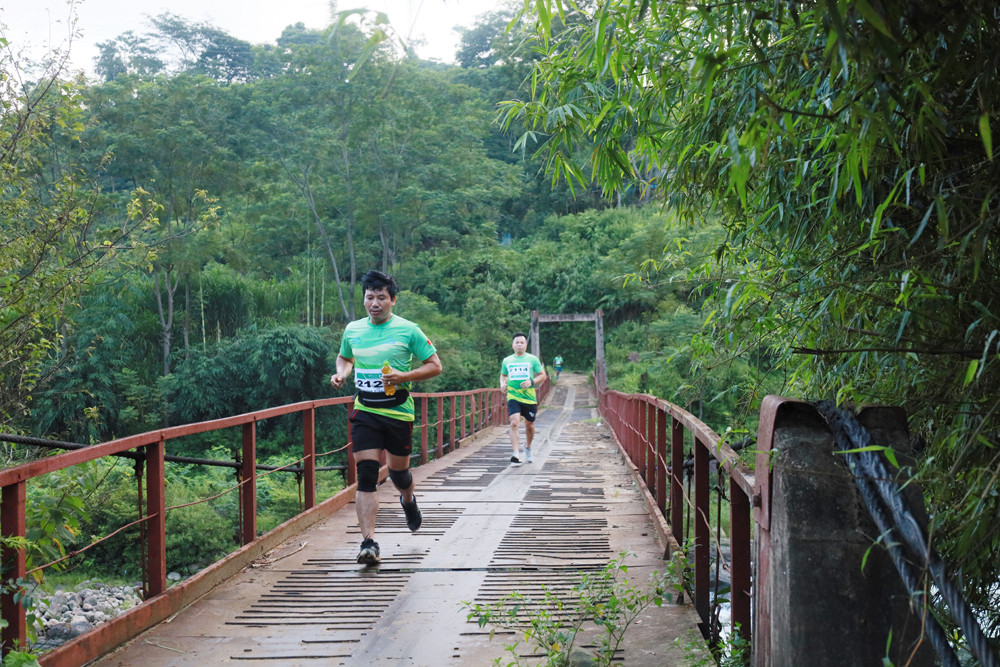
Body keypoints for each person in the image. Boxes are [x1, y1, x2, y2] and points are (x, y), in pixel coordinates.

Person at [330, 270, 443, 565]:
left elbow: (435, 366)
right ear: (364, 300)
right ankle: (368, 543)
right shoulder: (353, 329)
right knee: (366, 475)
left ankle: (408, 499)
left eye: (382, 297)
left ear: (392, 300)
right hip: (366, 410)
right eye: (370, 297)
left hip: (398, 413)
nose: (375, 303)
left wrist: (404, 375)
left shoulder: (409, 330)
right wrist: (342, 373)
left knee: (399, 474)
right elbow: (345, 356)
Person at [500, 332, 547, 464]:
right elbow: (503, 375)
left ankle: (527, 447)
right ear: (513, 345)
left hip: (529, 398)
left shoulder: (532, 359)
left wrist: (531, 382)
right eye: (517, 342)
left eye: (522, 342)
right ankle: (516, 453)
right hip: (513, 396)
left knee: (529, 424)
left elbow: (542, 375)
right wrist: (502, 384)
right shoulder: (507, 360)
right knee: (514, 422)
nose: (519, 345)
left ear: (526, 345)